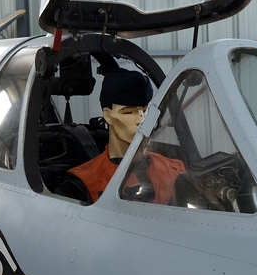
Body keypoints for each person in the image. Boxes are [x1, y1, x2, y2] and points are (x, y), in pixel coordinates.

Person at [67, 57, 181, 203]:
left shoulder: (175, 170)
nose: (141, 119)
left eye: (146, 111)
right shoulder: (85, 183)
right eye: (128, 112)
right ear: (108, 115)